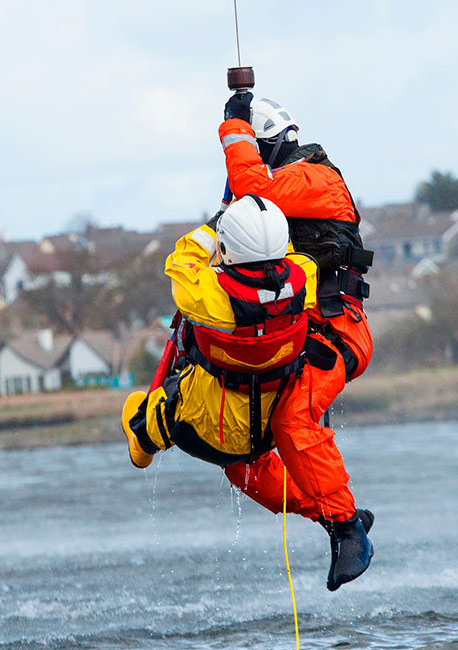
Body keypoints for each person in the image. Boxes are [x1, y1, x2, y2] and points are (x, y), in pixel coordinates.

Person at [122, 194, 373, 591]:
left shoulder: (209, 296)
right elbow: (291, 255)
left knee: (142, 419)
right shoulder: (302, 276)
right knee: (254, 469)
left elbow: (181, 261)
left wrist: (212, 226)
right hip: (266, 428)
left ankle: (142, 443)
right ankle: (339, 517)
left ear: (229, 249)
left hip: (206, 430)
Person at [215, 93, 377, 560]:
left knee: (292, 420)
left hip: (336, 329)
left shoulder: (316, 178)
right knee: (239, 457)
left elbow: (253, 189)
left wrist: (233, 130)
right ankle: (336, 516)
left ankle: (347, 529)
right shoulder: (263, 202)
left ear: (267, 146)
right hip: (291, 334)